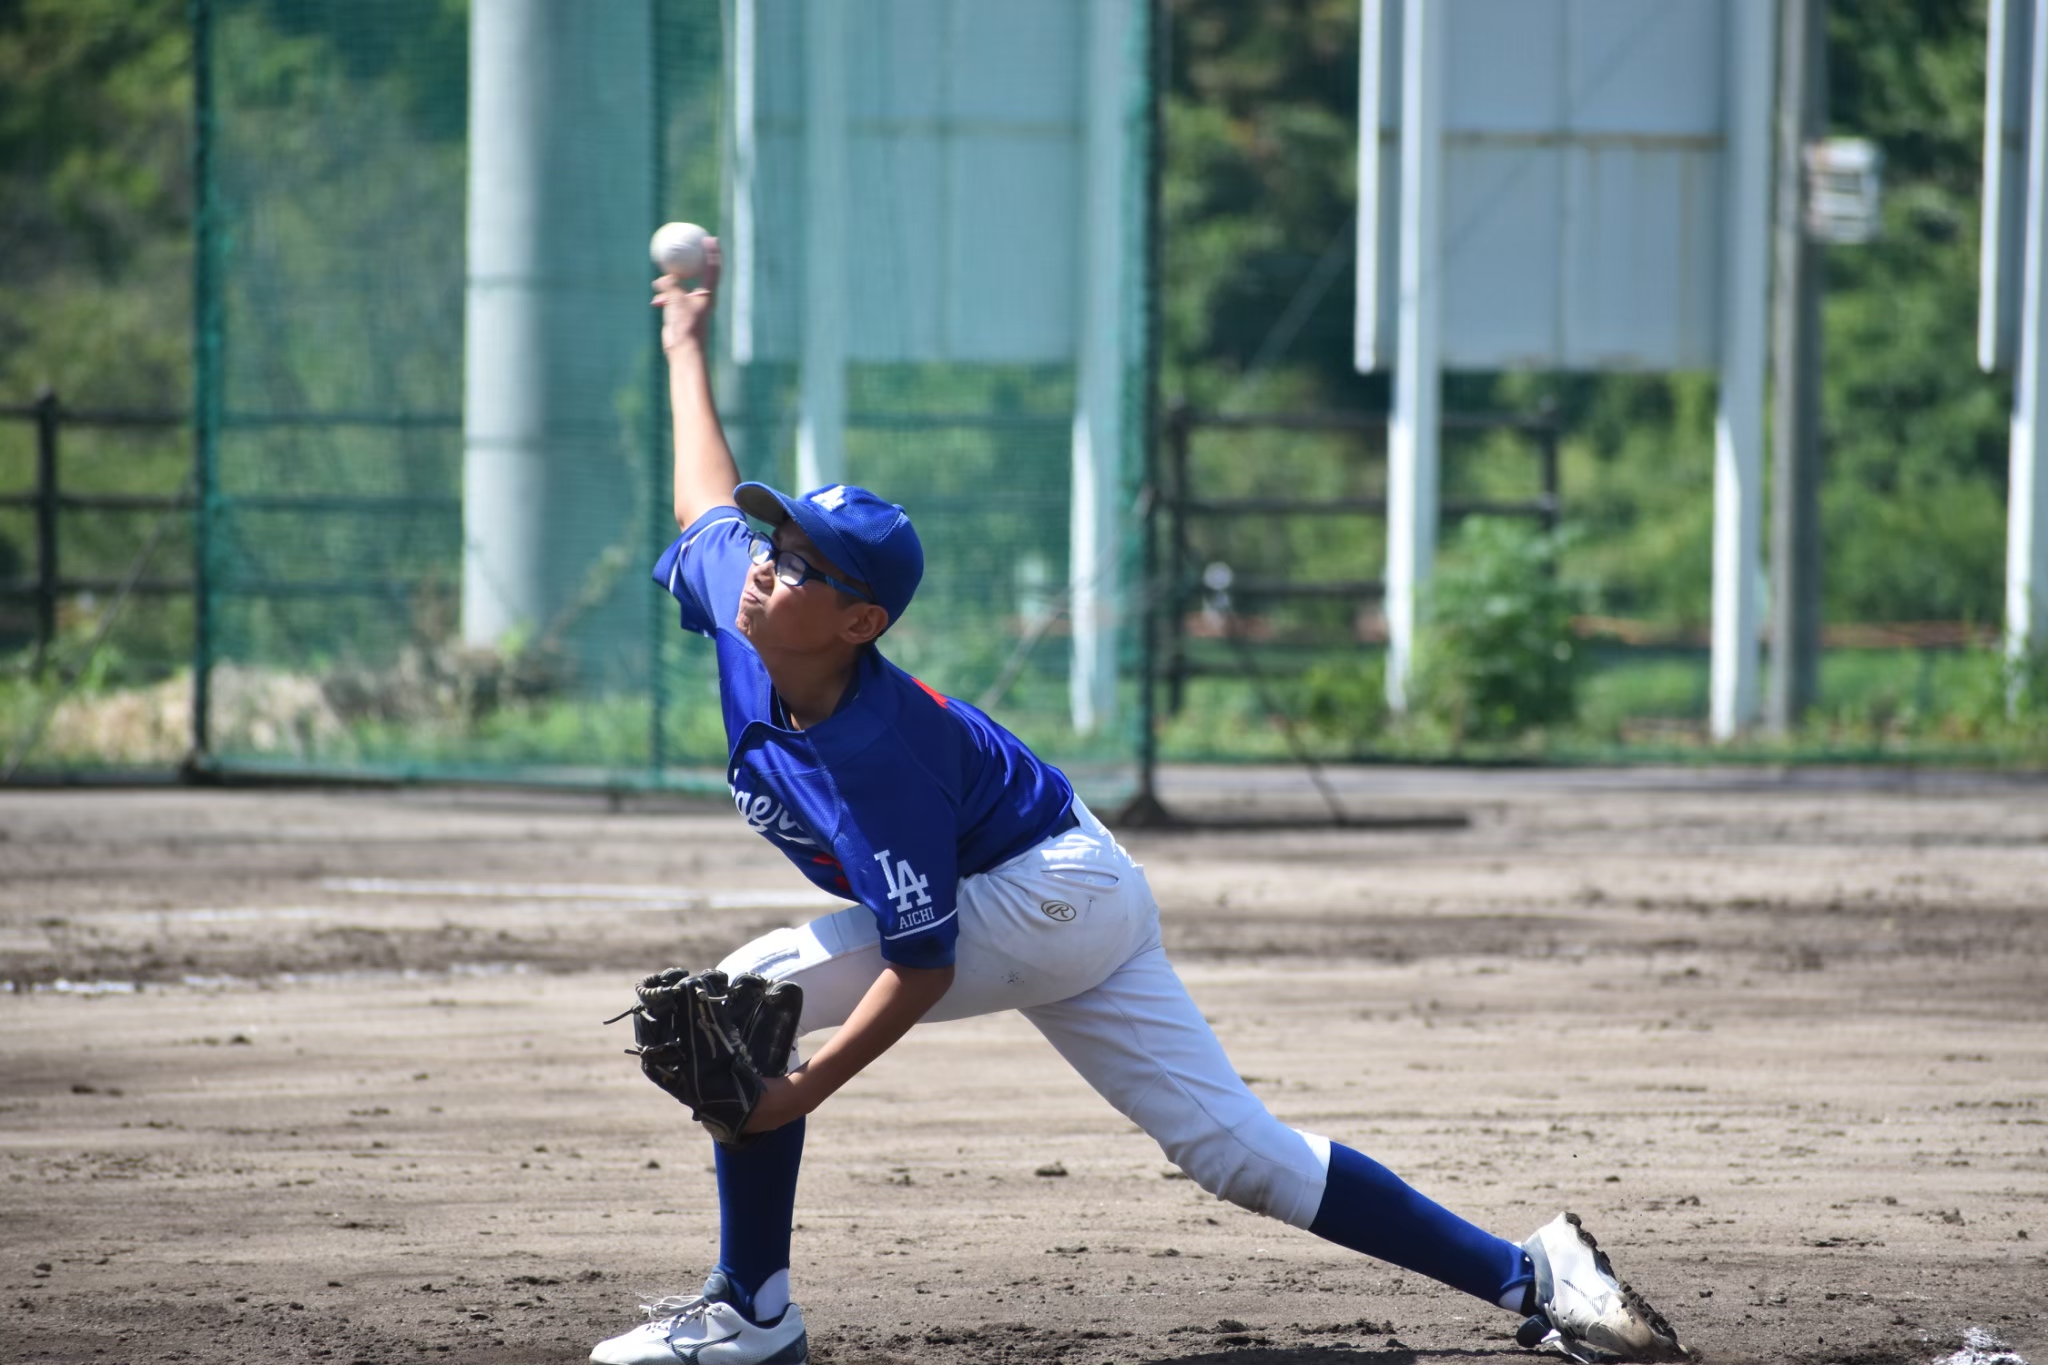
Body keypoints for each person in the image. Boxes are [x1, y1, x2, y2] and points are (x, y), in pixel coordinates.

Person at [588, 238, 1683, 1365]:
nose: (767, 564)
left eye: (802, 564)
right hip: (1080, 885)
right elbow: (702, 498)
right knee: (1237, 1152)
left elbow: (923, 964)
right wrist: (684, 343)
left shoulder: (881, 752)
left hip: (1039, 894)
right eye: (775, 543)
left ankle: (751, 1311)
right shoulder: (747, 610)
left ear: (861, 622)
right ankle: (1536, 1276)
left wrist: (796, 1091)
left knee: (749, 999)